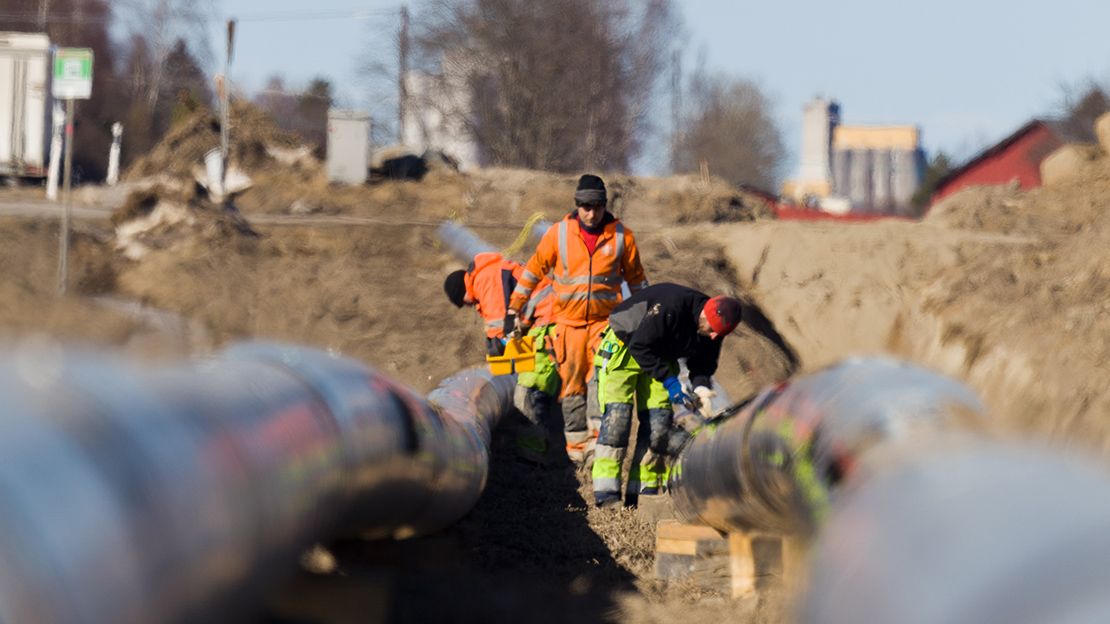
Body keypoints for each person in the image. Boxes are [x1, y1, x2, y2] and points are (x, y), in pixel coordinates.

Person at [506, 174, 648, 465]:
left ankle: (598, 445)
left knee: (600, 382)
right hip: (567, 325)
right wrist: (514, 308)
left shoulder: (622, 236)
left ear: (604, 205)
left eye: (596, 206)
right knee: (571, 387)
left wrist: (645, 318)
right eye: (584, 206)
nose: (591, 213)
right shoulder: (558, 234)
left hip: (605, 326)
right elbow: (533, 271)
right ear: (576, 205)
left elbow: (637, 283)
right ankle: (576, 449)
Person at [590, 283, 743, 509]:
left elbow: (703, 364)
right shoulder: (672, 306)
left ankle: (642, 494)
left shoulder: (715, 329)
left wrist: (701, 388)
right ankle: (606, 495)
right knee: (617, 421)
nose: (713, 337)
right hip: (625, 349)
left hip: (661, 358)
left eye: (718, 335)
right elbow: (640, 346)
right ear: (704, 315)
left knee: (658, 426)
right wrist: (670, 381)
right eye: (711, 330)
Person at [444, 251, 559, 463]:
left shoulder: (484, 279)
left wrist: (496, 364)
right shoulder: (487, 274)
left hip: (548, 317)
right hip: (539, 320)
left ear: (463, 290)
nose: (468, 306)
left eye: (464, 302)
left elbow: (499, 331)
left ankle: (532, 456)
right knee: (528, 381)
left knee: (528, 390)